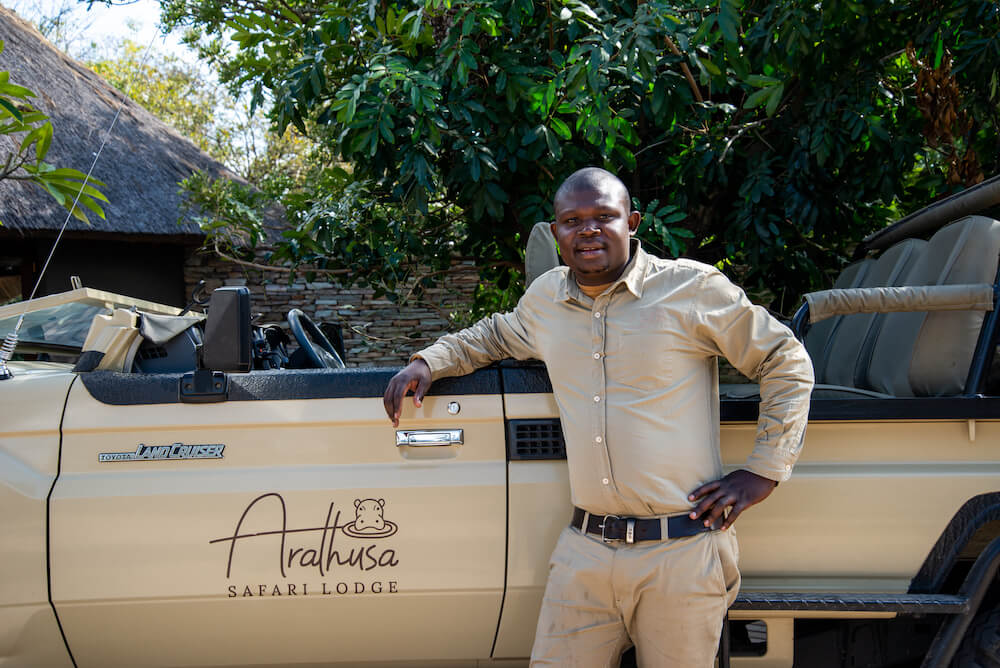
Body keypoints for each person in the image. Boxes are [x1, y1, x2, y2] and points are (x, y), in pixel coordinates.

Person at [383, 167, 814, 667]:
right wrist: (427, 361)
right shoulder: (546, 300)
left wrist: (764, 469)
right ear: (556, 232)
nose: (588, 229)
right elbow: (492, 336)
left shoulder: (690, 289)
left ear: (631, 221)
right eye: (573, 220)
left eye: (603, 216)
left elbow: (783, 357)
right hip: (586, 551)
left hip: (681, 552)